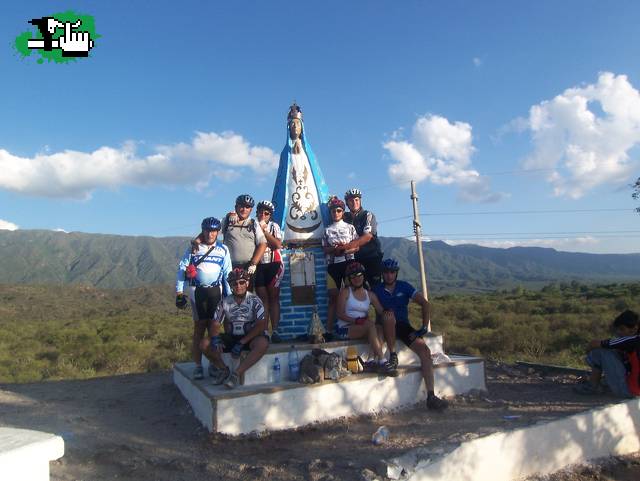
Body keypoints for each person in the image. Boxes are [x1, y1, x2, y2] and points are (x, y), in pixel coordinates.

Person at [372, 258, 448, 410]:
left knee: (425, 351)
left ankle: (431, 396)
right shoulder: (376, 289)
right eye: (386, 272)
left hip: (402, 326)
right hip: (384, 325)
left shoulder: (404, 286)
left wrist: (423, 327)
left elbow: (425, 303)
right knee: (388, 316)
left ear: (396, 273)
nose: (389, 275)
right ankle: (393, 355)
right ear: (382, 273)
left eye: (392, 272)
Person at [175, 217, 231, 380]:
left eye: (213, 231)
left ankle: (214, 363)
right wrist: (179, 293)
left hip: (216, 291)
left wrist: (229, 296)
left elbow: (227, 273)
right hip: (197, 291)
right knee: (199, 328)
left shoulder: (223, 249)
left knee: (214, 329)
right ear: (203, 231)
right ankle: (198, 366)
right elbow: (182, 269)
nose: (210, 234)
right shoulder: (194, 248)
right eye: (207, 230)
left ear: (218, 232)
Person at [199, 268, 270, 389]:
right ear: (230, 285)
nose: (238, 286)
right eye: (234, 283)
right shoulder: (224, 302)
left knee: (263, 343)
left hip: (249, 337)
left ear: (247, 283)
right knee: (204, 343)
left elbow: (261, 325)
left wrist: (242, 342)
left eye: (241, 282)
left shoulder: (255, 301)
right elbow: (215, 323)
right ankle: (223, 369)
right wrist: (215, 338)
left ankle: (236, 374)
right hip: (232, 336)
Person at [335, 262, 396, 375]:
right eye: (353, 276)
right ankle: (382, 360)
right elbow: (339, 313)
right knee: (370, 325)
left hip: (362, 326)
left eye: (359, 274)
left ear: (363, 275)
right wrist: (355, 320)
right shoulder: (345, 292)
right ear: (349, 279)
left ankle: (370, 360)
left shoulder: (370, 294)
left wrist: (389, 313)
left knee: (379, 328)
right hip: (344, 328)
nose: (357, 278)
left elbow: (381, 311)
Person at [575, 310, 639, 398]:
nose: (619, 332)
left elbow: (593, 344)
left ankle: (592, 386)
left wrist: (588, 355)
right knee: (616, 352)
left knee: (599, 352)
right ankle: (602, 382)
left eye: (622, 329)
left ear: (634, 329)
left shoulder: (632, 340)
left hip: (630, 391)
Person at [322, 196, 359, 336]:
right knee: (333, 298)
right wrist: (335, 249)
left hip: (349, 264)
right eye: (333, 211)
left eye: (339, 211)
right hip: (333, 266)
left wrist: (345, 249)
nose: (336, 213)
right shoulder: (326, 230)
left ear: (343, 212)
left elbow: (357, 247)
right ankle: (329, 330)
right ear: (330, 213)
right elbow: (325, 249)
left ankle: (352, 326)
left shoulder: (350, 228)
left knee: (351, 296)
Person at [254, 200, 285, 343]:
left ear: (270, 215)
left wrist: (264, 231)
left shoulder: (274, 226)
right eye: (260, 212)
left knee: (274, 298)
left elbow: (277, 244)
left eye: (266, 213)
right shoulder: (252, 225)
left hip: (274, 264)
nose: (263, 215)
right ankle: (265, 331)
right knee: (263, 299)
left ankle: (276, 330)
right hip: (259, 266)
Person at [342, 188, 383, 288]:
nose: (354, 202)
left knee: (376, 288)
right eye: (351, 200)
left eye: (357, 200)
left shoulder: (368, 215)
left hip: (371, 257)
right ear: (347, 203)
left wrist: (347, 246)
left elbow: (367, 236)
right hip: (355, 259)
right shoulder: (345, 217)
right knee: (357, 289)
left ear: (360, 201)